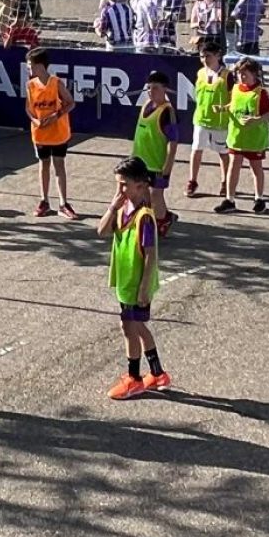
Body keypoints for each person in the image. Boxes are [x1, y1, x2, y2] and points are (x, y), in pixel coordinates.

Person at [97, 155, 168, 400]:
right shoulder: (121, 209)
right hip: (126, 281)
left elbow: (150, 256)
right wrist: (112, 207)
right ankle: (158, 373)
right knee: (136, 326)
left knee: (129, 327)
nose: (120, 189)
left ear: (140, 185)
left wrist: (144, 288)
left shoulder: (144, 217)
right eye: (118, 184)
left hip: (137, 283)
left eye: (124, 184)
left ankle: (134, 378)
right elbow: (101, 231)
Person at [24, 48, 78, 220]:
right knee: (43, 164)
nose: (29, 69)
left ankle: (63, 203)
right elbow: (28, 109)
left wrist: (56, 115)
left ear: (40, 66)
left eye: (31, 65)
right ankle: (44, 201)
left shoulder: (56, 83)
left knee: (59, 165)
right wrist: (35, 121)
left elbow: (70, 103)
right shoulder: (30, 85)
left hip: (58, 133)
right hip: (40, 134)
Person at [215, 58, 269, 214]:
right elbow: (233, 106)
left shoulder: (260, 93)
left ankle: (259, 198)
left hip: (254, 140)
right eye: (239, 73)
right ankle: (230, 199)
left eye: (244, 73)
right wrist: (222, 108)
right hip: (236, 137)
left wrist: (257, 120)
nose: (241, 76)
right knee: (233, 167)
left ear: (254, 74)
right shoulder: (235, 89)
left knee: (256, 168)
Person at [132, 69, 180, 234]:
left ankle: (163, 221)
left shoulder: (167, 112)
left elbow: (172, 143)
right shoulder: (146, 104)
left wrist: (167, 166)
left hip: (157, 163)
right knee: (143, 192)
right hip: (140, 161)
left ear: (164, 89)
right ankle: (161, 216)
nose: (151, 92)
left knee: (156, 195)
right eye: (149, 88)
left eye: (155, 88)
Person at [185, 38, 230, 199]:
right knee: (196, 150)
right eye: (202, 56)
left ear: (218, 55)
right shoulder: (200, 73)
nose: (204, 60)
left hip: (220, 123)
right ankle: (192, 181)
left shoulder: (227, 76)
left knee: (223, 153)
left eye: (208, 56)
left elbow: (234, 99)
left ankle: (226, 181)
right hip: (201, 119)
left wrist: (225, 109)